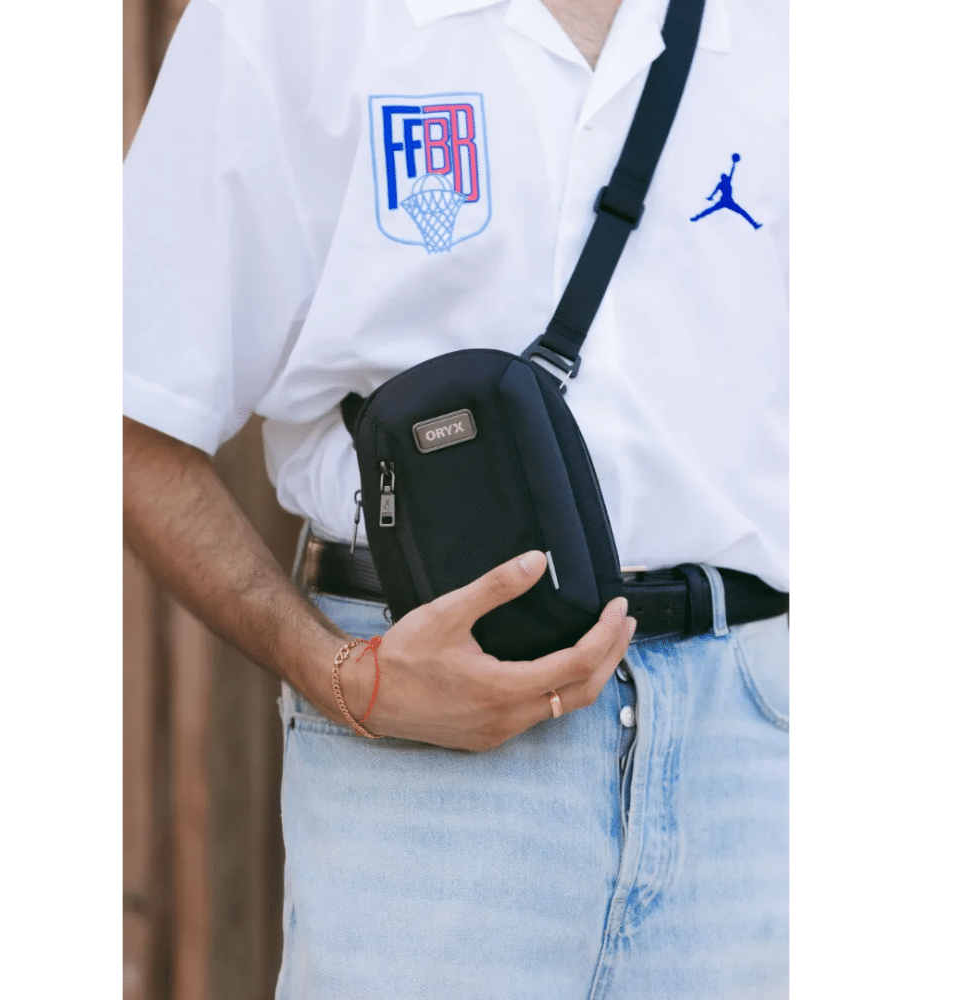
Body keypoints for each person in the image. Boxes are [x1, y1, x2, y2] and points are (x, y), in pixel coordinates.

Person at [123, 0, 788, 996]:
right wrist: (341, 676)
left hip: (752, 755)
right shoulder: (291, 21)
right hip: (425, 754)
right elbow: (131, 424)